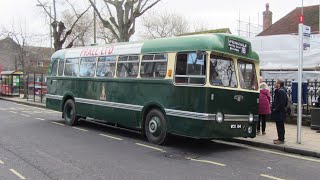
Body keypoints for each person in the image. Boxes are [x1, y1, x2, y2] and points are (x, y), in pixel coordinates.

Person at [271, 79, 287, 144]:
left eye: (276, 83)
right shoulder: (279, 91)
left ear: (279, 84)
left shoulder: (281, 91)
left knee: (280, 125)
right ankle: (279, 138)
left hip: (280, 112)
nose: (274, 84)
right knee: (279, 125)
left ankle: (281, 139)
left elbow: (281, 103)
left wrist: (275, 109)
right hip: (279, 112)